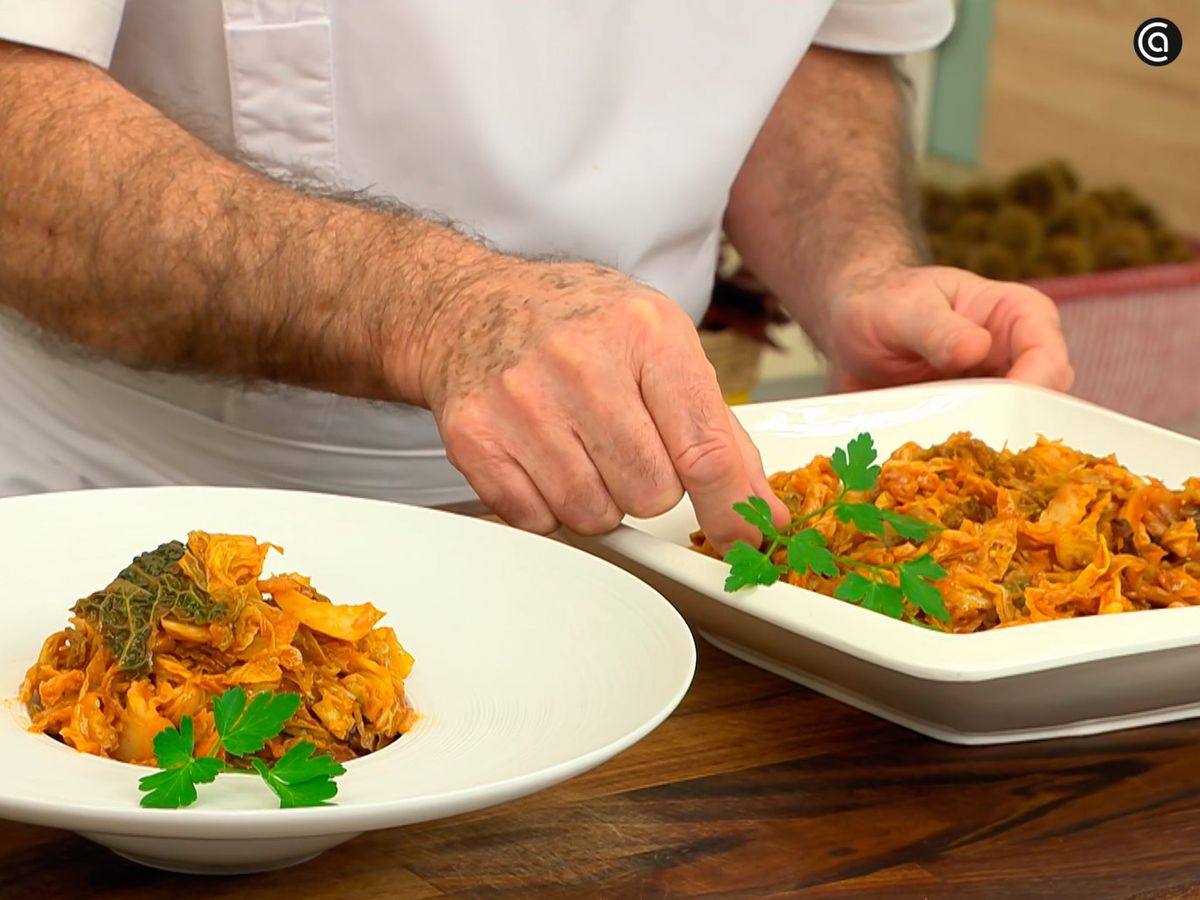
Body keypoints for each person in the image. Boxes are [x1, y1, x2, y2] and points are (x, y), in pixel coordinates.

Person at [0, 1, 1071, 553]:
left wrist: (856, 269)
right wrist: (438, 310)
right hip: (129, 501)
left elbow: (820, 40)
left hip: (657, 522)